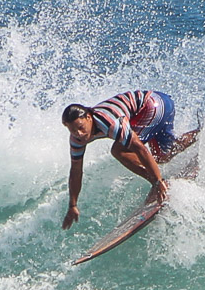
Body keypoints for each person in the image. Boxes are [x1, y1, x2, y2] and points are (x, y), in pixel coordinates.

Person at [60, 89, 179, 230]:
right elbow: (75, 171)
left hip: (153, 105)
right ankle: (202, 135)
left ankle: (159, 184)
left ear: (89, 118)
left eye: (81, 127)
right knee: (163, 156)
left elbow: (139, 148)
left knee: (119, 150)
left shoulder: (110, 123)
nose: (79, 133)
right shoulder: (76, 140)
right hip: (161, 102)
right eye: (73, 130)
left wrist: (158, 181)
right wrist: (73, 205)